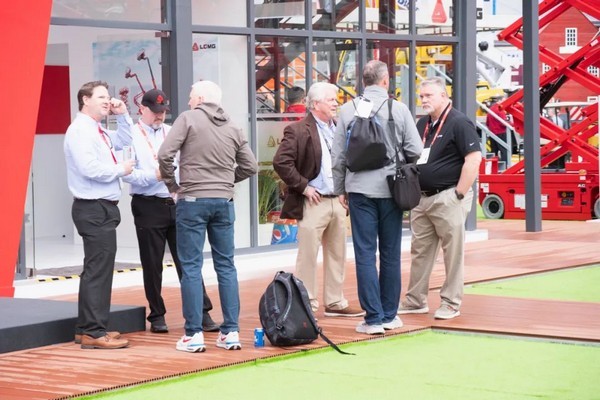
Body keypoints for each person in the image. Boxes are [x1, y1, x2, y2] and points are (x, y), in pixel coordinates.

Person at [158, 80, 258, 353]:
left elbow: (164, 154)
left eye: (191, 97)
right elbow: (250, 166)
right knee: (226, 266)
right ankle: (231, 332)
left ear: (201, 98)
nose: (189, 101)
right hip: (223, 202)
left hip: (192, 200)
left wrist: (173, 186)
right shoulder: (233, 126)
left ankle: (193, 334)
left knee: (191, 266)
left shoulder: (188, 119)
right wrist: (226, 182)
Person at [332, 60, 423, 335]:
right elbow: (416, 149)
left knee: (364, 253)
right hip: (392, 189)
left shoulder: (348, 110)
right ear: (385, 81)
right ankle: (389, 315)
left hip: (360, 189)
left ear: (363, 81)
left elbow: (339, 156)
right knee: (390, 253)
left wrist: (340, 189)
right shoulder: (399, 109)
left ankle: (372, 319)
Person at [122, 89, 220, 334]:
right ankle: (157, 315)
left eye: (163, 111)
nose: (159, 116)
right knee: (152, 264)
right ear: (142, 109)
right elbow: (127, 174)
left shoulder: (172, 131)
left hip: (177, 202)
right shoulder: (131, 135)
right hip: (148, 203)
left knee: (188, 261)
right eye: (155, 112)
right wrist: (154, 176)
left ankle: (202, 311)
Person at [273, 82, 364, 319]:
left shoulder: (341, 128)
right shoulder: (297, 129)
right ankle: (307, 305)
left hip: (338, 201)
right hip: (314, 202)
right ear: (315, 104)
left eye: (336, 99)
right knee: (308, 256)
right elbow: (281, 162)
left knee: (337, 254)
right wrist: (304, 187)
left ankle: (335, 302)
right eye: (331, 99)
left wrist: (347, 190)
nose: (336, 103)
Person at [398, 76, 482, 320]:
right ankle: (415, 300)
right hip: (422, 199)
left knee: (452, 253)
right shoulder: (423, 123)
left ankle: (451, 303)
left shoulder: (459, 122)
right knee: (420, 251)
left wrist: (458, 194)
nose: (423, 100)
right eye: (421, 96)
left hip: (448, 197)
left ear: (444, 96)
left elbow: (473, 159)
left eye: (429, 95)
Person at [64, 81, 135, 349]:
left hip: (99, 207)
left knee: (97, 269)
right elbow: (89, 168)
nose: (108, 101)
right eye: (101, 97)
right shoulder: (80, 131)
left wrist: (123, 115)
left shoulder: (97, 129)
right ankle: (94, 332)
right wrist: (120, 170)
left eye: (108, 96)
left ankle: (87, 329)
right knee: (99, 271)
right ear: (85, 100)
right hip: (94, 207)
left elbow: (125, 140)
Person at [485, 98, 510, 164]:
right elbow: (503, 123)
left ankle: (493, 166)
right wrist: (511, 124)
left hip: (492, 133)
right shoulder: (500, 110)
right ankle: (505, 166)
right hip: (501, 133)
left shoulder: (491, 109)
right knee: (504, 150)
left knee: (494, 151)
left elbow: (487, 123)